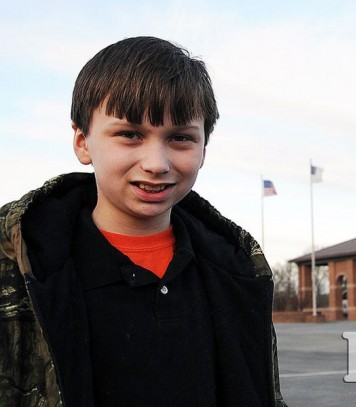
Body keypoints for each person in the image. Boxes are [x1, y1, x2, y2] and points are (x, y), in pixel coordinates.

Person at [0, 36, 287, 406]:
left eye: (180, 138)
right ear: (83, 141)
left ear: (202, 151)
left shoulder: (238, 271)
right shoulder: (18, 264)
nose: (156, 163)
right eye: (130, 134)